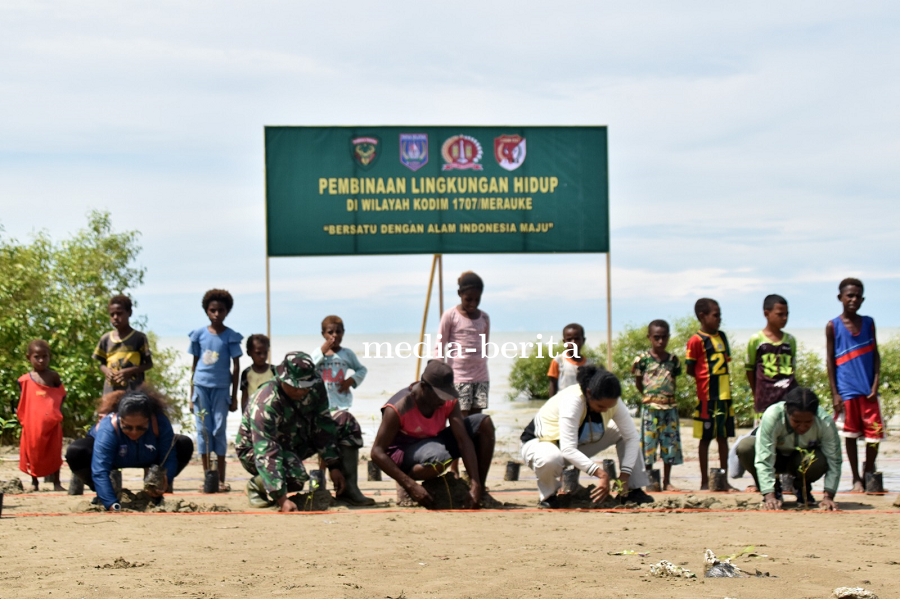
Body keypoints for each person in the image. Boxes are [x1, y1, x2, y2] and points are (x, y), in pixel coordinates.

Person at [236, 352, 374, 510]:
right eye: (296, 387)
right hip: (256, 451)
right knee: (296, 478)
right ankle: (256, 485)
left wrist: (333, 465)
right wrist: (282, 500)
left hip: (295, 437)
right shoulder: (265, 402)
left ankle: (348, 490)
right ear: (283, 379)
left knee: (345, 421)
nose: (301, 391)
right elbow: (266, 450)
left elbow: (323, 424)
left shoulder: (315, 385)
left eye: (305, 386)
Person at [521, 366, 653, 508]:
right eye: (600, 406)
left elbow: (632, 438)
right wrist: (602, 475)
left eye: (609, 407)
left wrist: (625, 475)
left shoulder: (612, 399)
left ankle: (632, 490)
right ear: (589, 393)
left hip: (577, 443)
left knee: (625, 433)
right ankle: (549, 496)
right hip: (541, 444)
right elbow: (568, 449)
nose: (605, 410)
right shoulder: (573, 400)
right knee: (550, 458)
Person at [370, 360, 495, 508]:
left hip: (434, 442)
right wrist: (410, 485)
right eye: (439, 395)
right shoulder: (398, 407)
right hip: (406, 453)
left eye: (446, 395)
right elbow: (376, 452)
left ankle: (480, 491)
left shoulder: (448, 401)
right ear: (424, 387)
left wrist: (476, 483)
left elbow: (463, 440)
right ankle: (405, 482)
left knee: (484, 423)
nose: (443, 401)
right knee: (438, 456)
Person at [65, 388, 194, 511]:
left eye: (140, 427)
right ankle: (103, 493)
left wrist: (164, 481)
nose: (134, 432)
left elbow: (169, 458)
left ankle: (153, 494)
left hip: (150, 456)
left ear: (149, 420)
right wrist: (111, 503)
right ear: (120, 420)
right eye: (127, 427)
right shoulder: (108, 428)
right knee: (76, 451)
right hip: (114, 459)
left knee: (184, 443)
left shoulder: (160, 423)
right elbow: (100, 470)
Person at [736, 387, 841, 510]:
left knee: (818, 459)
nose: (802, 427)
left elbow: (834, 460)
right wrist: (769, 495)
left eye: (808, 422)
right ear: (787, 412)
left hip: (800, 461)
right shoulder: (772, 416)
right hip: (776, 458)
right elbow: (764, 458)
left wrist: (828, 497)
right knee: (746, 447)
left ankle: (802, 487)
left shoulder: (825, 422)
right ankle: (774, 489)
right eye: (796, 421)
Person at [826, 277, 883, 493]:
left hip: (868, 391)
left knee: (874, 434)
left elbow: (876, 355)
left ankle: (868, 470)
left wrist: (875, 385)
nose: (854, 299)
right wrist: (835, 393)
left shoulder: (868, 323)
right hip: (847, 390)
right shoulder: (833, 326)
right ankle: (856, 478)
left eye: (858, 296)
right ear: (840, 298)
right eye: (849, 295)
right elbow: (830, 361)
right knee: (850, 436)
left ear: (863, 299)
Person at [188, 288, 242, 492]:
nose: (217, 314)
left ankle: (220, 479)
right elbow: (194, 365)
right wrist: (190, 396)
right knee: (203, 430)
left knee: (219, 429)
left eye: (221, 310)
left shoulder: (230, 336)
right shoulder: (199, 335)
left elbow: (236, 367)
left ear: (227, 311)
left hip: (221, 388)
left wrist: (234, 396)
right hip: (201, 387)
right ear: (206, 311)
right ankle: (207, 478)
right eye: (212, 310)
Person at [686, 298, 735, 491]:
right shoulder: (696, 340)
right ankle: (704, 481)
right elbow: (690, 368)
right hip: (706, 397)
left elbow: (726, 362)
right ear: (702, 316)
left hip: (724, 396)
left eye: (720, 315)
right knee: (705, 438)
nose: (719, 319)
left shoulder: (722, 337)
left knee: (723, 437)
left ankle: (723, 480)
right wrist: (704, 381)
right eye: (715, 315)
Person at [632, 319, 683, 491]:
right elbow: (638, 382)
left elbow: (674, 381)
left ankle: (667, 481)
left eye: (664, 337)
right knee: (648, 445)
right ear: (649, 338)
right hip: (650, 409)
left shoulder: (673, 360)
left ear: (668, 337)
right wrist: (649, 396)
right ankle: (649, 480)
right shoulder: (642, 360)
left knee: (670, 445)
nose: (660, 341)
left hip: (670, 409)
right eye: (656, 337)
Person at [435, 271, 490, 417]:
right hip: (458, 376)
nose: (473, 304)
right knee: (461, 418)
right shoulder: (450, 315)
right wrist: (439, 375)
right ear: (460, 294)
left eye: (477, 299)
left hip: (481, 376)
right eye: (468, 299)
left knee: (477, 419)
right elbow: (440, 345)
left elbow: (485, 346)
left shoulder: (484, 318)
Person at [17, 340, 66, 491]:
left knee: (54, 451)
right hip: (32, 423)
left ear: (49, 357)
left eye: (45, 356)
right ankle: (34, 482)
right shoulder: (24, 380)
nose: (41, 360)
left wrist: (54, 413)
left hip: (51, 423)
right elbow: (25, 400)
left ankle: (57, 482)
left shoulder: (53, 377)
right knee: (33, 451)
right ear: (28, 357)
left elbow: (61, 395)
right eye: (36, 357)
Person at [746, 294, 798, 417]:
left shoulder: (790, 340)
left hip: (787, 396)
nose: (784, 318)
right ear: (766, 314)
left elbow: (792, 368)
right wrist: (756, 394)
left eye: (787, 314)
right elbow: (750, 369)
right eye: (780, 314)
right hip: (765, 398)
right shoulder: (756, 340)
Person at [92, 294, 153, 395]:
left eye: (119, 314)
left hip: (133, 391)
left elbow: (149, 364)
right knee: (108, 406)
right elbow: (102, 364)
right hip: (110, 392)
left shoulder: (139, 338)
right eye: (112, 315)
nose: (115, 317)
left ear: (129, 313)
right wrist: (107, 371)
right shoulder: (105, 339)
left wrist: (129, 371)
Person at [311, 315, 368, 412]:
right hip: (319, 403)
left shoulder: (347, 354)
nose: (335, 335)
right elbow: (308, 368)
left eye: (338, 332)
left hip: (340, 402)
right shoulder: (317, 352)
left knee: (341, 421)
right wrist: (322, 352)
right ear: (323, 334)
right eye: (330, 332)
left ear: (343, 333)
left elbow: (362, 370)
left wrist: (351, 380)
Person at [548, 323, 593, 397]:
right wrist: (551, 402)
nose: (573, 342)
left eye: (577, 339)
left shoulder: (589, 364)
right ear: (564, 342)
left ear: (583, 340)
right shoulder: (558, 361)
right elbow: (553, 385)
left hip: (582, 402)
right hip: (562, 401)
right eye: (569, 339)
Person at [240, 334, 276, 413]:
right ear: (249, 353)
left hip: (271, 412)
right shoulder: (246, 373)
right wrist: (244, 415)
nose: (262, 356)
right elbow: (244, 396)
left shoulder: (274, 371)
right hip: (253, 412)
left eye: (265, 352)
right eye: (258, 353)